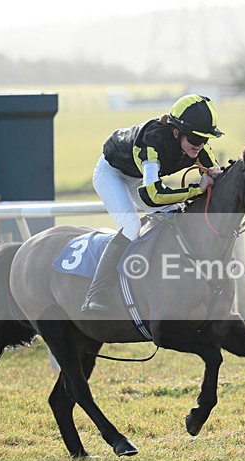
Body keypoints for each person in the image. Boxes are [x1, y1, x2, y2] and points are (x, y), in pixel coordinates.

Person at [82, 94, 224, 313]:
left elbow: (215, 174)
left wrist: (217, 173)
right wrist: (196, 189)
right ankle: (95, 293)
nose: (201, 145)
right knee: (131, 227)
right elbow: (152, 195)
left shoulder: (197, 145)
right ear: (176, 132)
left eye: (205, 139)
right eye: (196, 139)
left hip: (138, 177)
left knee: (176, 215)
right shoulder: (153, 142)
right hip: (112, 173)